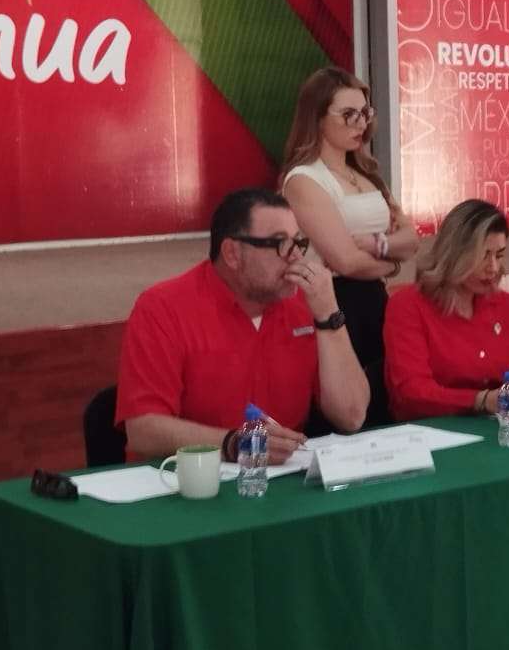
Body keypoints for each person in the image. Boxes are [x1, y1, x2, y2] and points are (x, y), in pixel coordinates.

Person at [116, 188, 369, 463]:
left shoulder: (306, 304)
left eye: (298, 243)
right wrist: (236, 444)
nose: (296, 256)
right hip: (189, 476)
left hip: (282, 475)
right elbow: (143, 430)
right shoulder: (163, 308)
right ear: (232, 253)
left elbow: (352, 416)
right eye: (280, 244)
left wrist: (329, 314)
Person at [279, 67, 420, 422]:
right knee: (346, 409)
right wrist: (392, 262)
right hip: (335, 300)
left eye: (365, 113)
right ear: (317, 117)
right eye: (348, 114)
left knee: (384, 399)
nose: (361, 124)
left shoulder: (367, 173)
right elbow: (344, 260)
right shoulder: (304, 179)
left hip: (375, 297)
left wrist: (376, 244)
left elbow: (411, 240)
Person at [384, 199, 509, 419]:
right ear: (454, 254)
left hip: (495, 426)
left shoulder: (508, 306)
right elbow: (412, 393)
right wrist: (480, 400)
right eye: (483, 256)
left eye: (499, 255)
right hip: (426, 428)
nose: (493, 268)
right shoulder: (407, 306)